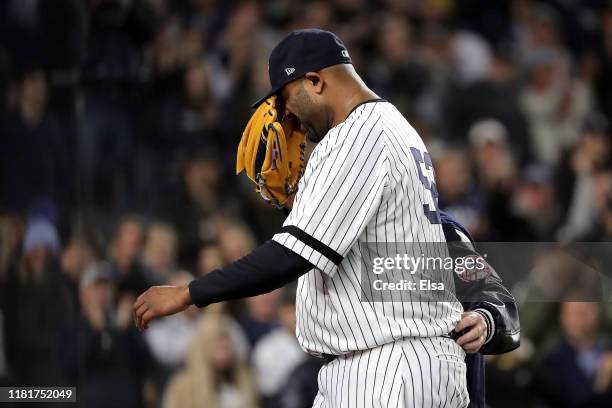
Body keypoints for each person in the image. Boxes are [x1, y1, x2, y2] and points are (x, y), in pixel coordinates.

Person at [135, 29, 472, 407]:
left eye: (286, 98)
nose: (285, 115)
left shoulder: (360, 135)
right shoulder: (389, 126)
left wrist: (188, 293)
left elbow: (291, 256)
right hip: (381, 363)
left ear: (315, 80)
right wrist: (296, 199)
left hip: (389, 365)